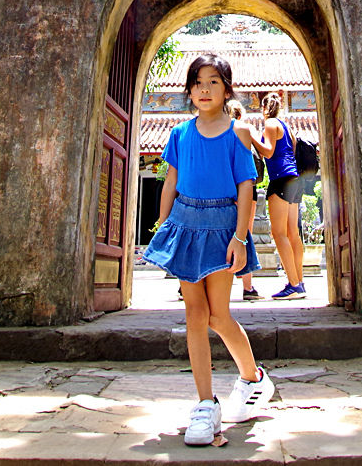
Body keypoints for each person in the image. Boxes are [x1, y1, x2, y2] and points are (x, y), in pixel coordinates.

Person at [142, 54, 276, 445]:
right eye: (198, 82)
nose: (204, 88)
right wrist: (164, 227)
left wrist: (239, 237)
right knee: (194, 315)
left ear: (227, 89)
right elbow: (171, 183)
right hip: (185, 224)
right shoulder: (180, 135)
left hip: (221, 228)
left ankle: (253, 378)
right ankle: (205, 403)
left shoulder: (238, 133)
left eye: (213, 82)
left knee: (218, 316)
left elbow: (246, 189)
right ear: (189, 90)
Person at [259, 92, 306, 299]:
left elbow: (268, 152)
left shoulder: (270, 124)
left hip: (280, 179)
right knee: (293, 233)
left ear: (264, 109)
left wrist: (251, 136)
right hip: (295, 180)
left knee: (278, 233)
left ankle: (293, 284)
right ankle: (300, 282)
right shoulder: (288, 128)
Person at [227, 99, 264, 301]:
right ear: (240, 115)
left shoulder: (218, 132)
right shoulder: (244, 131)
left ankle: (195, 283)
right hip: (246, 189)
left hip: (224, 190)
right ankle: (248, 287)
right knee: (244, 235)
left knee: (216, 234)